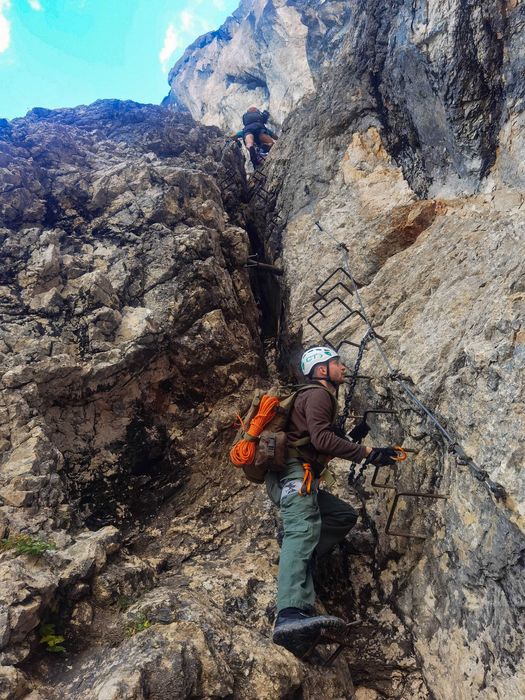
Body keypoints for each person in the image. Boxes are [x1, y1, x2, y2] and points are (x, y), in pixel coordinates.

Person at [266, 346, 398, 656]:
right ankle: (289, 614)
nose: (342, 366)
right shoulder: (318, 394)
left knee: (342, 515)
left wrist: (353, 442)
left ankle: (298, 557)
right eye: (336, 362)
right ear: (322, 369)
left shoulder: (316, 398)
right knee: (302, 530)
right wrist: (369, 453)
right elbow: (323, 439)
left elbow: (321, 439)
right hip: (295, 476)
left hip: (292, 478)